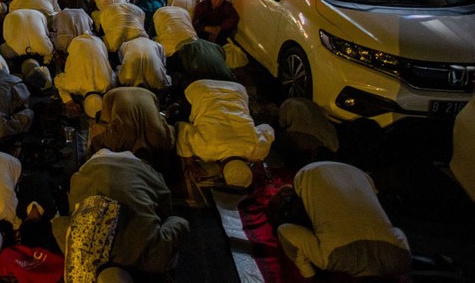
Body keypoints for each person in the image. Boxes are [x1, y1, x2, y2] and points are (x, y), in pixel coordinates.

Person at [51, 149, 189, 277]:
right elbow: (58, 224)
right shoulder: (77, 256)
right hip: (93, 166)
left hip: (137, 168)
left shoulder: (154, 255)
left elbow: (179, 222)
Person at [272, 161, 412, 280]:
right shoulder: (330, 258)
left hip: (358, 175)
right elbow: (286, 230)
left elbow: (397, 232)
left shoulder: (401, 258)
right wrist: (308, 273)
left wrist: (308, 274)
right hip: (320, 172)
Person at [176, 79, 274, 190]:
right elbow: (182, 127)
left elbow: (267, 128)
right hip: (200, 88)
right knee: (181, 114)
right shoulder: (205, 150)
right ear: (221, 171)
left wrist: (258, 163)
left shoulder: (258, 149)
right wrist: (189, 162)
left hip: (236, 88)